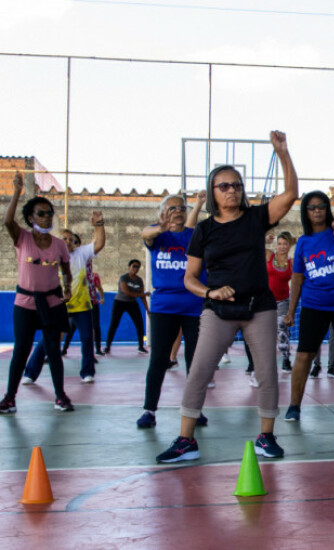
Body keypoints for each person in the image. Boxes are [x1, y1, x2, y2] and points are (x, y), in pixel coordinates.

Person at [155, 130, 298, 463]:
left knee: (266, 373)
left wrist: (283, 153)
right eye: (224, 186)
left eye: (236, 185)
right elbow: (189, 278)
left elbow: (291, 193)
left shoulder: (256, 218)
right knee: (199, 372)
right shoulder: (204, 230)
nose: (232, 190)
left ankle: (266, 437)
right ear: (212, 192)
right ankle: (186, 441)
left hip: (259, 307)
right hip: (218, 309)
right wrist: (211, 291)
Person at [1, 172, 76, 414]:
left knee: (53, 351)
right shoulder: (22, 238)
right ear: (30, 217)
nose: (46, 217)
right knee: (21, 351)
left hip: (51, 304)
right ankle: (10, 398)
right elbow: (7, 221)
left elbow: (66, 270)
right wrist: (16, 192)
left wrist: (67, 288)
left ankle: (60, 396)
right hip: (25, 304)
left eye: (49, 213)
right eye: (41, 213)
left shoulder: (59, 245)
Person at [283, 191, 334, 420]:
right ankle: (294, 406)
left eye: (321, 206)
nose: (317, 211)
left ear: (327, 209)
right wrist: (291, 311)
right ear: (305, 212)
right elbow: (297, 278)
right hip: (314, 305)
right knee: (304, 355)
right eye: (312, 207)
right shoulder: (303, 242)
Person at [136, 192, 206, 428]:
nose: (177, 212)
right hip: (164, 306)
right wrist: (160, 227)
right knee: (158, 359)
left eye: (181, 208)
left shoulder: (194, 235)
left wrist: (199, 204)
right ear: (162, 212)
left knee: (195, 361)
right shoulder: (157, 235)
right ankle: (149, 410)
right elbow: (144, 234)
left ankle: (195, 409)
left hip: (194, 306)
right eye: (172, 208)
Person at [23, 219, 107, 385]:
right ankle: (30, 373)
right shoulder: (48, 256)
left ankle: (87, 372)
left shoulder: (81, 253)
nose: (69, 242)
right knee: (47, 339)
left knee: (87, 338)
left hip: (81, 306)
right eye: (65, 239)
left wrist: (99, 225)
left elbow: (99, 243)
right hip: (58, 306)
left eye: (71, 239)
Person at [104, 259, 150, 354]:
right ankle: (107, 346)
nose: (135, 269)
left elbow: (142, 297)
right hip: (119, 302)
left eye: (138, 267)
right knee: (114, 324)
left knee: (139, 323)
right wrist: (142, 294)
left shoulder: (139, 280)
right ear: (129, 267)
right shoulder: (124, 278)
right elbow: (127, 292)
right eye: (134, 266)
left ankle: (141, 346)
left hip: (132, 303)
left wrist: (147, 309)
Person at [267, 231, 294, 372]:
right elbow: (253, 245)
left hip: (283, 301)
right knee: (266, 331)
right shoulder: (269, 256)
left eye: (285, 244)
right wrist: (265, 240)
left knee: (281, 328)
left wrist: (292, 310)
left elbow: (297, 282)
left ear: (289, 245)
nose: (282, 247)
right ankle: (263, 362)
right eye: (279, 244)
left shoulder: (292, 262)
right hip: (266, 300)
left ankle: (285, 358)